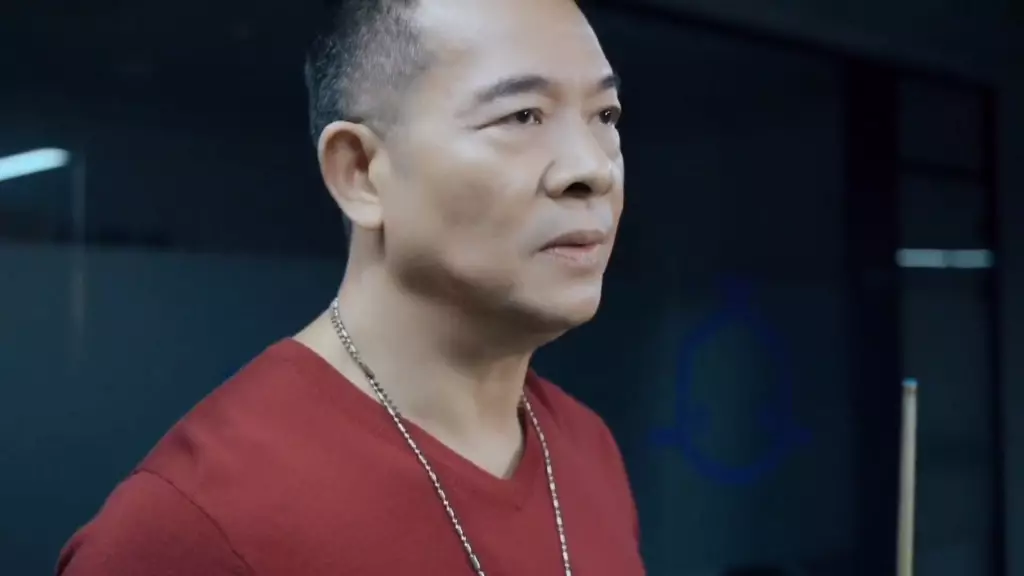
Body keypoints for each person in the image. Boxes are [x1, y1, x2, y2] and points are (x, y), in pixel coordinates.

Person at [56, 0, 642, 573]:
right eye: (523, 116)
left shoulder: (586, 448)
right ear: (360, 171)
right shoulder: (190, 522)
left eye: (605, 117)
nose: (593, 168)